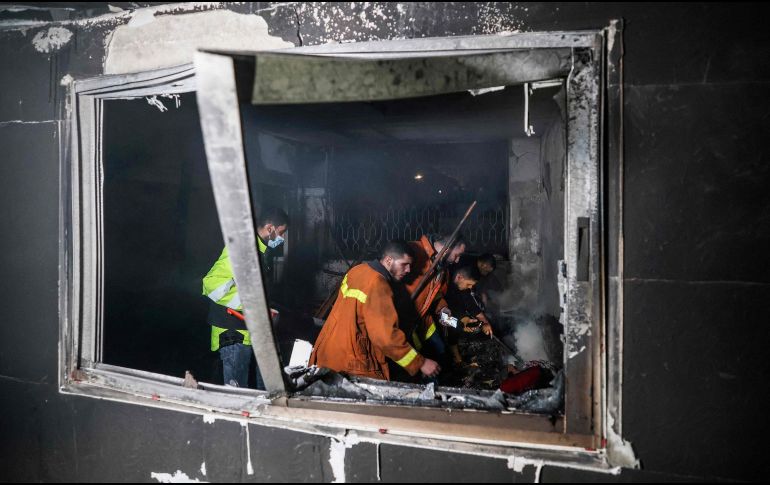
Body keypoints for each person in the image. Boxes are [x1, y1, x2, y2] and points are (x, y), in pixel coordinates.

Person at [309, 240, 440, 381]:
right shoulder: (378, 284)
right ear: (389, 260)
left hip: (328, 352)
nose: (408, 270)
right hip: (351, 362)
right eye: (404, 264)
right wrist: (420, 362)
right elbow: (385, 337)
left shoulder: (357, 270)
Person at [201, 207, 289, 389]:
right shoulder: (244, 251)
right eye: (281, 233)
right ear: (270, 228)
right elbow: (211, 285)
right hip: (232, 332)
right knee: (237, 394)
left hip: (246, 332)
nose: (282, 238)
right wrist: (251, 306)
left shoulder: (259, 251)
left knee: (253, 392)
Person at [403, 233, 466, 366]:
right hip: (405, 321)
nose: (457, 260)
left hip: (423, 320)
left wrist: (443, 309)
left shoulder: (442, 268)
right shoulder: (414, 251)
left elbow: (436, 294)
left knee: (441, 352)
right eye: (457, 255)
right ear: (448, 248)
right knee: (416, 361)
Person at [444, 264, 494, 366]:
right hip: (438, 319)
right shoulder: (444, 286)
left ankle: (458, 357)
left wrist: (485, 322)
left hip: (455, 317)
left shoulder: (464, 289)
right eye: (469, 284)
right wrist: (461, 323)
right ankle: (456, 359)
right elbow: (444, 317)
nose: (470, 288)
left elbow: (473, 307)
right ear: (459, 277)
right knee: (450, 333)